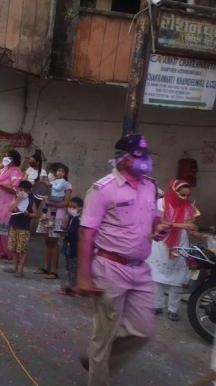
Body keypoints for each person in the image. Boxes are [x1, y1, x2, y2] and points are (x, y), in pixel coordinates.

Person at [76, 134, 166, 386]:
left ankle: (97, 360)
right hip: (109, 267)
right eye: (138, 155)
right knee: (103, 335)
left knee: (144, 330)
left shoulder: (150, 186)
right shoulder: (103, 189)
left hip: (140, 270)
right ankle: (98, 374)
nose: (144, 160)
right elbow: (87, 232)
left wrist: (159, 228)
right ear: (122, 158)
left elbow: (154, 218)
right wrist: (83, 276)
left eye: (146, 154)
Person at [148, 179, 200, 321]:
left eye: (187, 195)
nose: (185, 198)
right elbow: (162, 224)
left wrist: (196, 232)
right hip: (162, 241)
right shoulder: (161, 203)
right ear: (173, 191)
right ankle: (157, 305)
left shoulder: (188, 205)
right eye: (182, 194)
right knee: (157, 277)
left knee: (177, 280)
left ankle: (173, 309)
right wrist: (184, 226)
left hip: (180, 242)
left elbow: (189, 225)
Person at [36, 163, 72, 279]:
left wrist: (51, 203)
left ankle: (54, 271)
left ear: (66, 174)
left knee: (54, 242)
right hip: (47, 214)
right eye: (57, 171)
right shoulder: (50, 184)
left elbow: (66, 202)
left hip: (58, 215)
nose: (59, 173)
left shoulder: (67, 185)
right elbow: (43, 195)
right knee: (47, 241)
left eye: (62, 171)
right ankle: (45, 267)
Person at [0, 150, 24, 260]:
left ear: (14, 159)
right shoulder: (4, 169)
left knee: (5, 232)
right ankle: (1, 251)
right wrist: (2, 164)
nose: (6, 158)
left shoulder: (16, 172)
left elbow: (14, 189)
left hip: (7, 204)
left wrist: (0, 184)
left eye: (9, 157)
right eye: (5, 156)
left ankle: (9, 254)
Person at [4, 180, 39, 277]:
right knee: (14, 247)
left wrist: (28, 214)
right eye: (20, 189)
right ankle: (14, 267)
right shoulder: (16, 198)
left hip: (24, 227)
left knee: (22, 249)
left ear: (28, 191)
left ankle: (20, 269)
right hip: (14, 225)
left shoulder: (31, 201)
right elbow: (10, 209)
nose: (21, 192)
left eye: (23, 190)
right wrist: (18, 200)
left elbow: (36, 214)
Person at [59, 196, 84, 295]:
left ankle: (73, 288)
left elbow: (75, 234)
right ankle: (71, 285)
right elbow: (66, 228)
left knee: (73, 268)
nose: (71, 209)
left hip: (74, 248)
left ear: (80, 208)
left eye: (74, 207)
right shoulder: (71, 218)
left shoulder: (79, 220)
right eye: (69, 206)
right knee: (69, 266)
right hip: (68, 246)